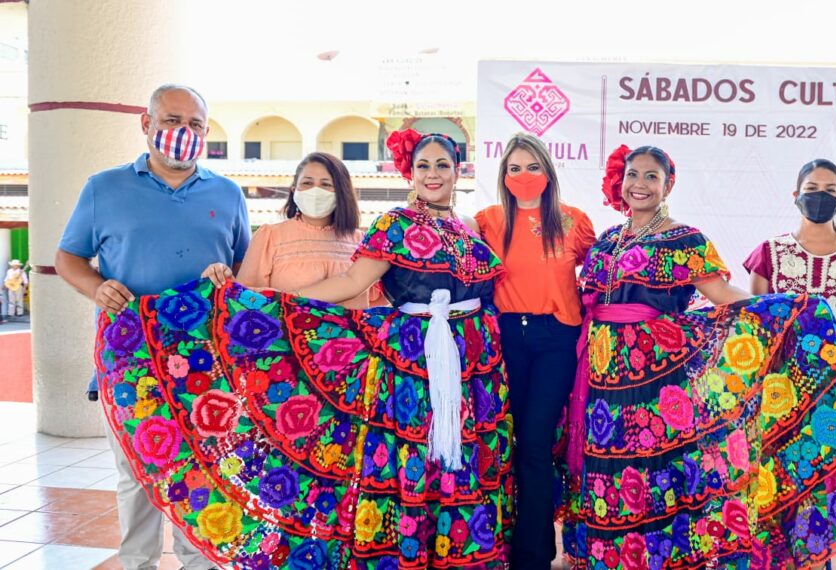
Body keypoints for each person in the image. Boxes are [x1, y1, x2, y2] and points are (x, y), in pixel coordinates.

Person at [93, 129, 512, 568]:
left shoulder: (470, 227)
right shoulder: (396, 223)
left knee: (462, 460)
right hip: (412, 362)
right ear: (410, 172)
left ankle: (458, 553)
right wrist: (283, 304)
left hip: (475, 364)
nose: (433, 174)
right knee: (413, 462)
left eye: (442, 165)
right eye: (423, 165)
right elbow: (353, 283)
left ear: (458, 170)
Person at [559, 144, 836, 569]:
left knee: (650, 467)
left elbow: (721, 296)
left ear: (668, 184)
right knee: (607, 461)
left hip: (656, 380)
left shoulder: (686, 239)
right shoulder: (609, 238)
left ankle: (653, 558)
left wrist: (788, 311)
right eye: (633, 175)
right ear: (620, 181)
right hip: (600, 377)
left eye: (651, 176)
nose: (640, 184)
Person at [56, 83, 248, 570]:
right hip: (129, 362)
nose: (183, 132)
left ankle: (198, 561)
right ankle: (137, 562)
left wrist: (228, 280)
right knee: (137, 475)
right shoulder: (104, 188)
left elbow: (246, 273)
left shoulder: (227, 194)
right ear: (147, 124)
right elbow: (67, 258)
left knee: (205, 472)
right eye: (171, 121)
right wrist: (97, 287)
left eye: (195, 125)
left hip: (207, 365)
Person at [474, 132, 595, 568]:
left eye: (532, 166)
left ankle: (535, 556)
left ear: (548, 171)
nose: (523, 176)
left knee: (537, 444)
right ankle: (495, 546)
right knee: (506, 443)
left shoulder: (573, 221)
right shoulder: (485, 221)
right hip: (506, 339)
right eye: (514, 168)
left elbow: (603, 275)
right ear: (503, 175)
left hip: (556, 341)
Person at [744, 158, 836, 424]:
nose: (821, 196)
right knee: (775, 465)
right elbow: (755, 325)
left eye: (830, 190)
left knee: (835, 464)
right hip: (779, 386)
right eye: (812, 188)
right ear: (796, 196)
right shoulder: (768, 253)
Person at [235, 151, 381, 309]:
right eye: (307, 183)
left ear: (341, 192)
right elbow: (245, 298)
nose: (315, 191)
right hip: (284, 333)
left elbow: (375, 302)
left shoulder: (363, 243)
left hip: (350, 334)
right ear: (293, 189)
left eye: (326, 184)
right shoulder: (269, 237)